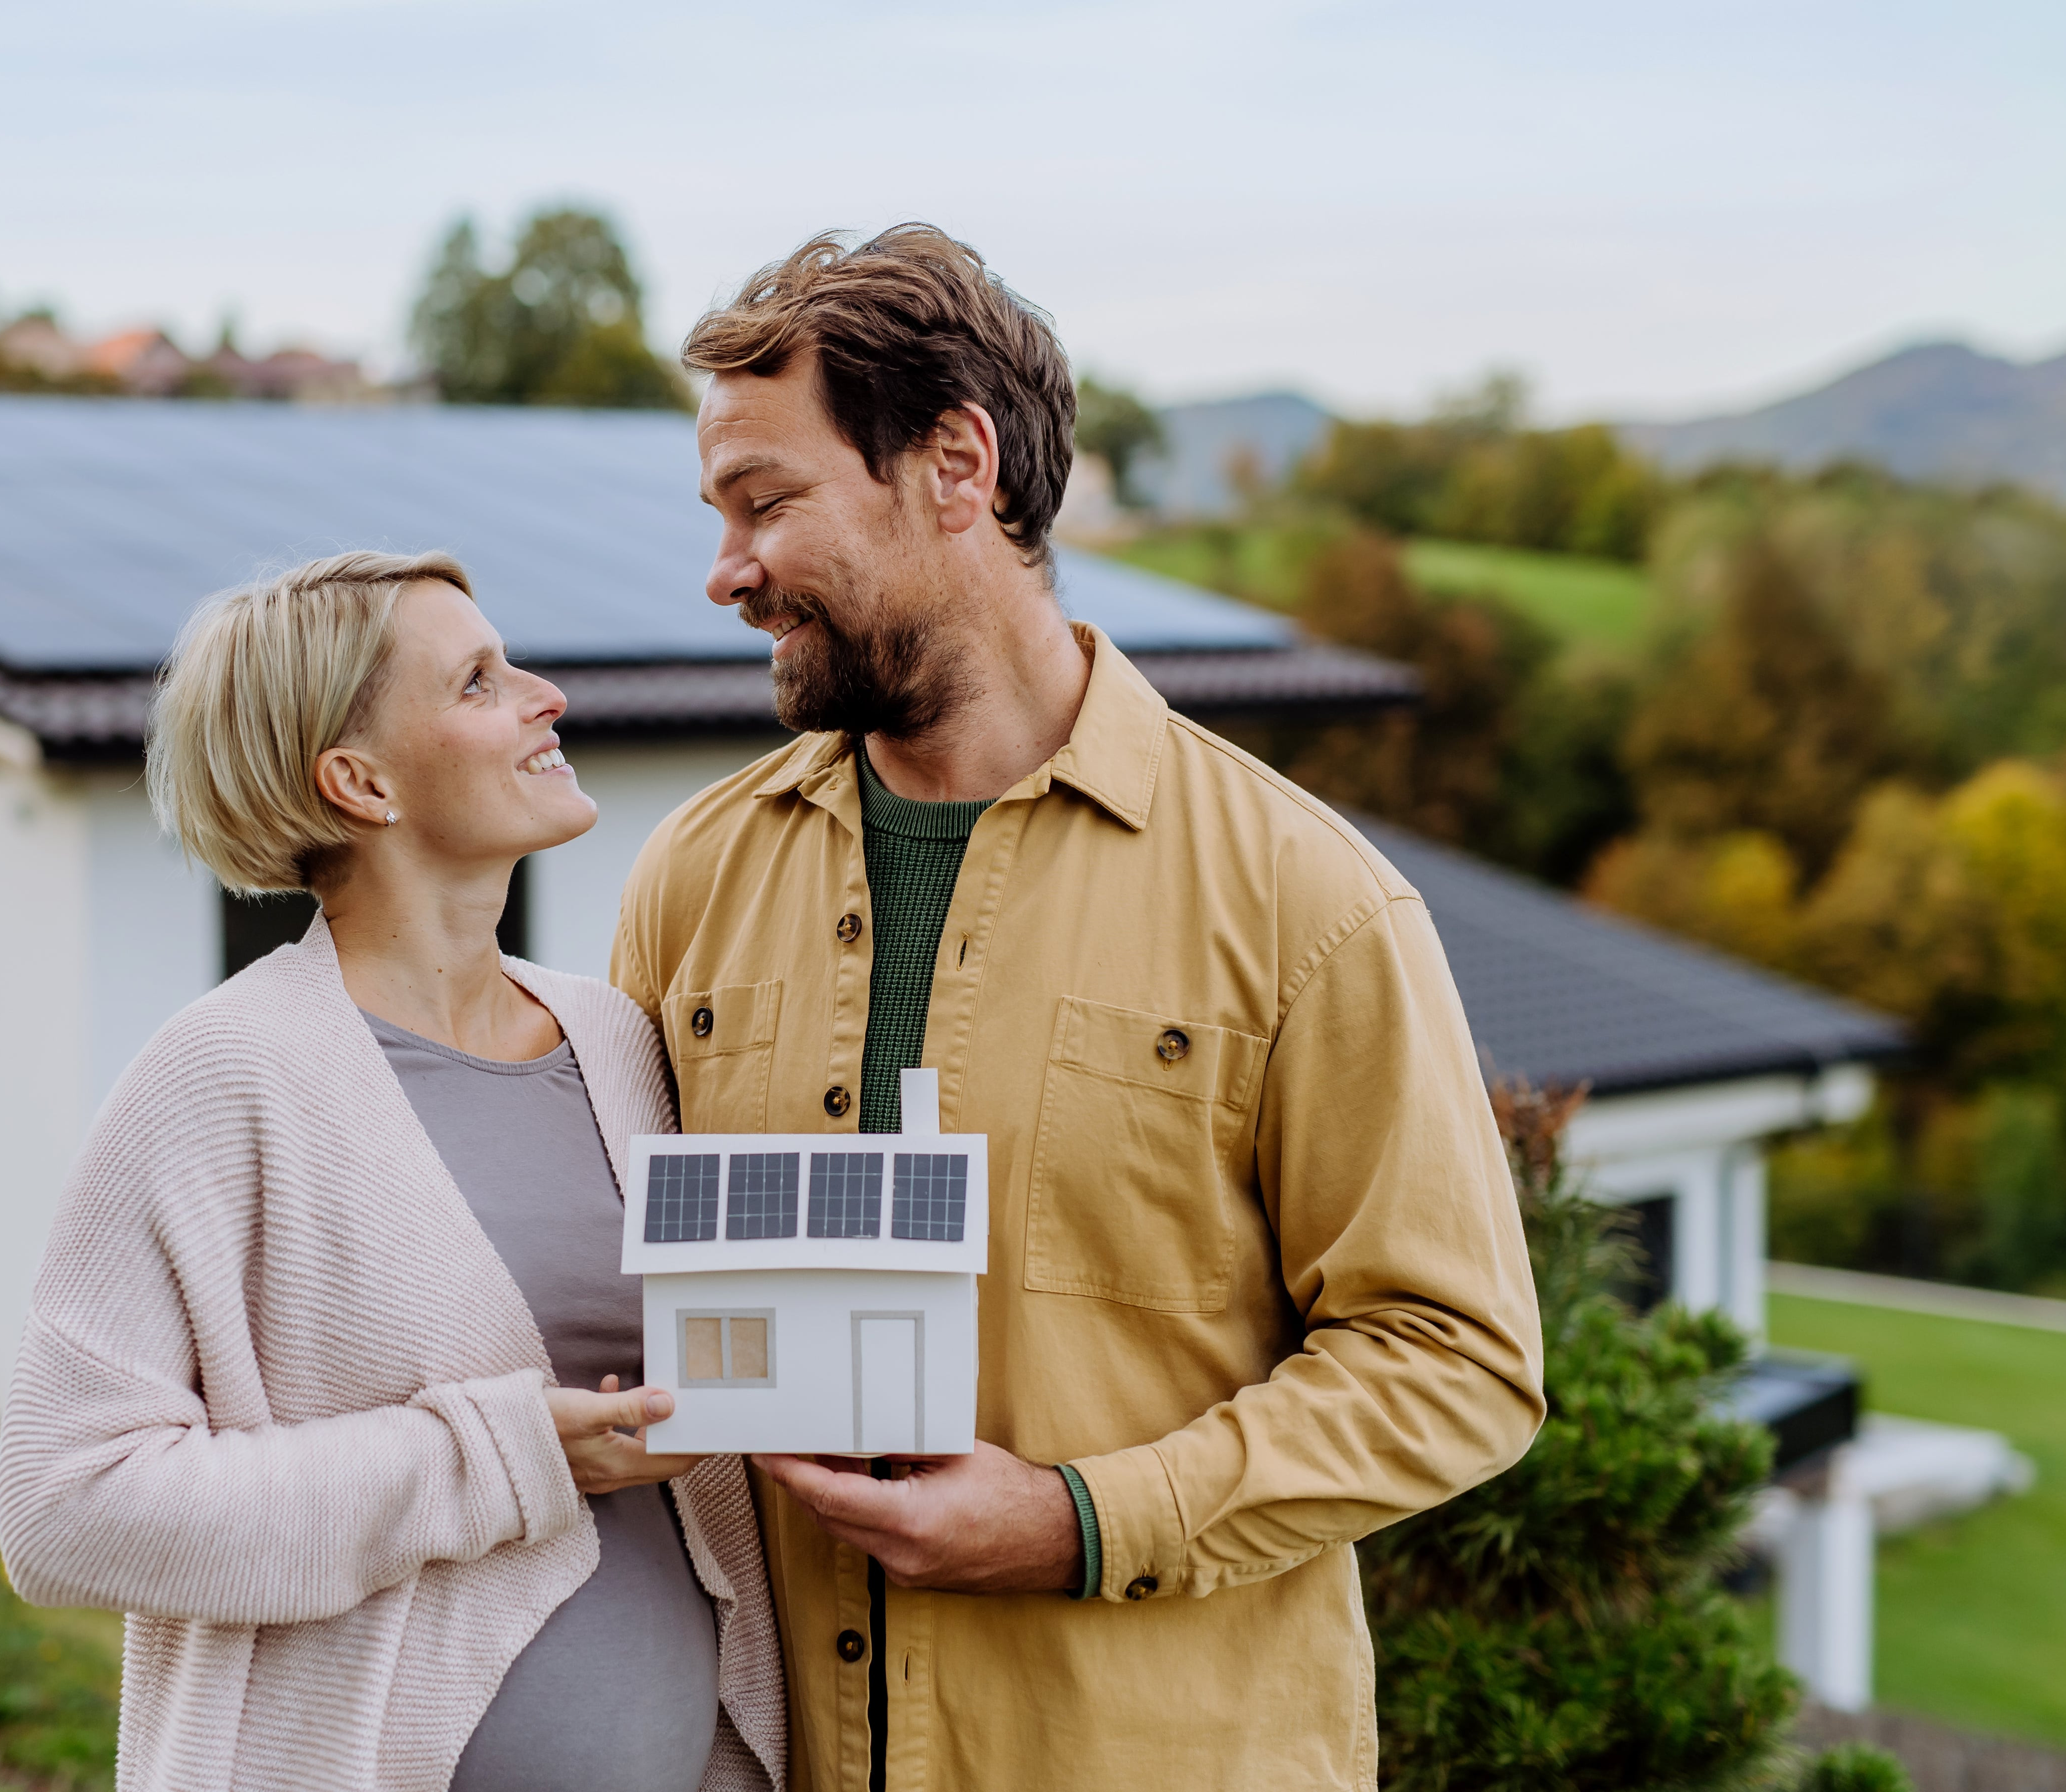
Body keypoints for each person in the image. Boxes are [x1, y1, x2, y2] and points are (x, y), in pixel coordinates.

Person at [611, 227, 1547, 1789]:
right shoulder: (692, 879)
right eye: (721, 516)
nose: (728, 571)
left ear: (957, 464)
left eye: (767, 502)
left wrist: (1085, 1522)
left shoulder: (1305, 900)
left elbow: (1457, 1360)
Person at [0, 551, 784, 1792]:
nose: (547, 698)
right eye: (479, 681)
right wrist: (504, 1456)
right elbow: (63, 1510)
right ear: (358, 781)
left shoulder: (623, 1042)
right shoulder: (222, 1078)